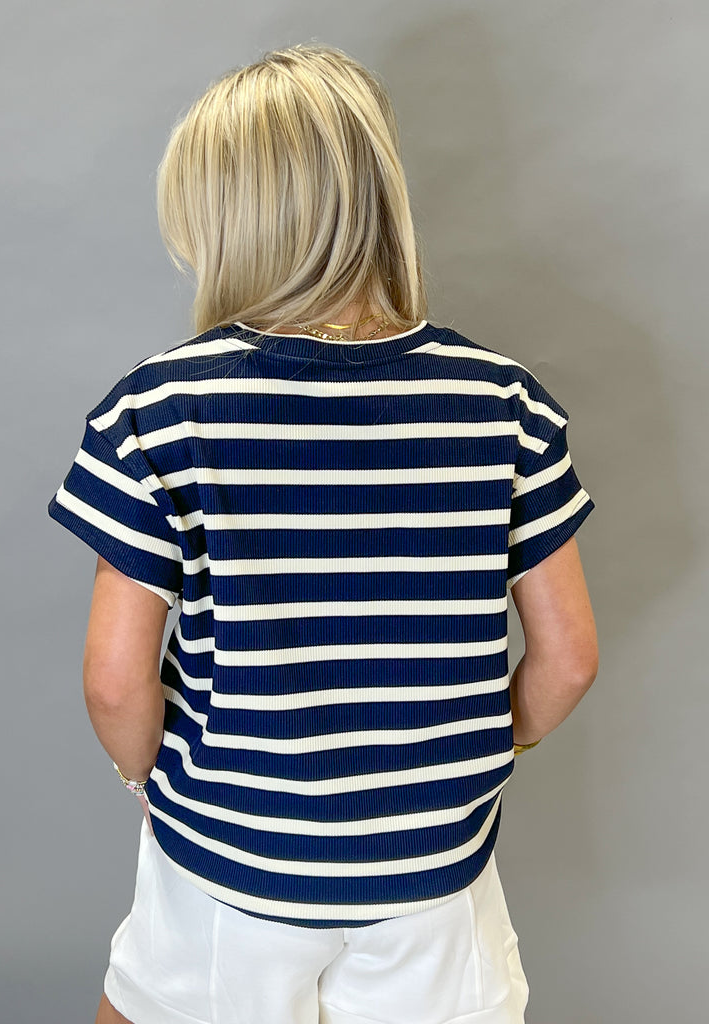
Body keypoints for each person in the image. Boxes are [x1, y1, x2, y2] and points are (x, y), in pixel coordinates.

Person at [47, 42, 598, 1024]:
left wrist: (146, 776)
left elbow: (114, 681)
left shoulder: (158, 411)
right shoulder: (506, 405)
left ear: (224, 218)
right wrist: (478, 757)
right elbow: (569, 659)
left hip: (228, 867)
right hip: (435, 875)